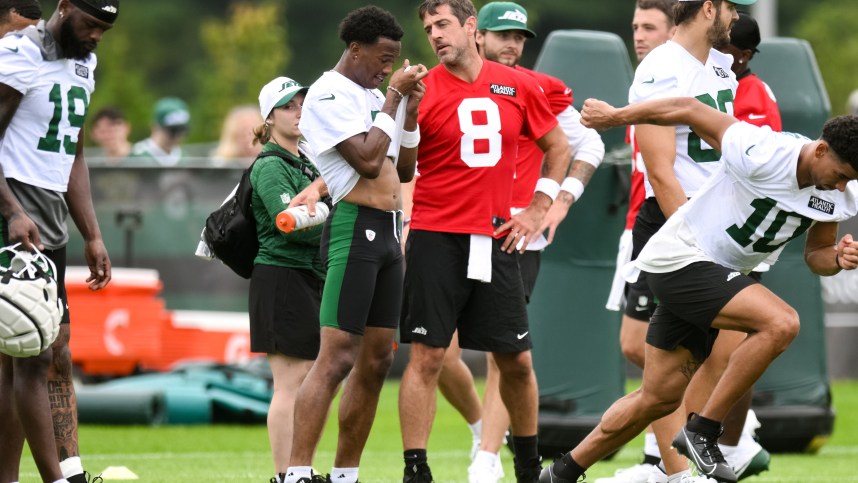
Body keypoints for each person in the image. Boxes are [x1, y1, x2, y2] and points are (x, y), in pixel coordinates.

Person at [542, 95, 858, 483]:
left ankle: (560, 473)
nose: (841, 185)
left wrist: (838, 259)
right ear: (821, 149)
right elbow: (691, 109)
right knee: (781, 323)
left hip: (713, 273)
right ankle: (703, 430)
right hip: (681, 257)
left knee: (656, 398)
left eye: (851, 180)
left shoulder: (840, 194)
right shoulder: (763, 149)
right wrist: (616, 117)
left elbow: (817, 255)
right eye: (841, 174)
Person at [398, 1, 570, 482]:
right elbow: (403, 169)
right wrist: (407, 114)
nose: (435, 34)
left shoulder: (517, 83)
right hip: (436, 234)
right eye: (429, 28)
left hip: (495, 235)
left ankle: (528, 466)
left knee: (515, 359)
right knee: (428, 355)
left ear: (471, 27)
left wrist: (539, 206)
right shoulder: (423, 88)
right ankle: (416, 469)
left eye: (444, 24)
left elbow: (559, 146)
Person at [435, 2, 604, 481]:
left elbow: (586, 144)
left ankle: (487, 459)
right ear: (477, 36)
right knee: (436, 353)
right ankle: (480, 429)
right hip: (451, 229)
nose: (512, 44)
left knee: (503, 352)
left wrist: (560, 199)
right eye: (502, 35)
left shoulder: (537, 88)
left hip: (514, 236)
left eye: (520, 37)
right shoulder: (442, 81)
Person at [282, 6, 427, 483]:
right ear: (355, 48)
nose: (387, 68)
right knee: (337, 356)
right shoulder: (327, 93)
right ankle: (298, 472)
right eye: (382, 58)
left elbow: (403, 170)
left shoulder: (375, 93)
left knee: (378, 359)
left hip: (389, 229)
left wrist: (412, 110)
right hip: (354, 224)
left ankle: (346, 474)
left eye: (394, 61)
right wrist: (391, 98)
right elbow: (366, 161)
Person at [0, 1, 116, 483]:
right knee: (33, 354)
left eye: (104, 30)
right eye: (90, 25)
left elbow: (74, 153)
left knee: (22, 358)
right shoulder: (18, 52)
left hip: (49, 222)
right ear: (64, 8)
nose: (95, 37)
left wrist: (92, 232)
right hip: (13, 216)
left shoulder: (84, 64)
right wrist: (11, 212)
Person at [600, 3, 677, 481]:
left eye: (650, 27)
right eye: (635, 27)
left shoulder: (672, 82)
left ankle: (681, 460)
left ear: (674, 32)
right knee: (642, 349)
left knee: (650, 350)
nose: (639, 36)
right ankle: (667, 457)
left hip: (666, 231)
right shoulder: (645, 83)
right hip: (640, 228)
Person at [248, 77, 325, 483]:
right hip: (280, 277)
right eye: (288, 106)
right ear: (270, 117)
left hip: (305, 276)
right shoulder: (271, 164)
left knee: (310, 378)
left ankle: (301, 469)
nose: (299, 111)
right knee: (290, 383)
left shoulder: (306, 162)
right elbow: (290, 226)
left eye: (301, 103)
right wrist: (330, 216)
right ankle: (285, 475)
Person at [719, 12, 781, 130]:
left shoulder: (756, 94)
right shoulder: (712, 80)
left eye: (721, 49)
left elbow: (748, 146)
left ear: (744, 55)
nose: (713, 53)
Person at [131, 96, 191, 166]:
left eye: (182, 131)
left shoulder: (184, 158)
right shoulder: (138, 157)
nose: (178, 136)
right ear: (155, 128)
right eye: (173, 131)